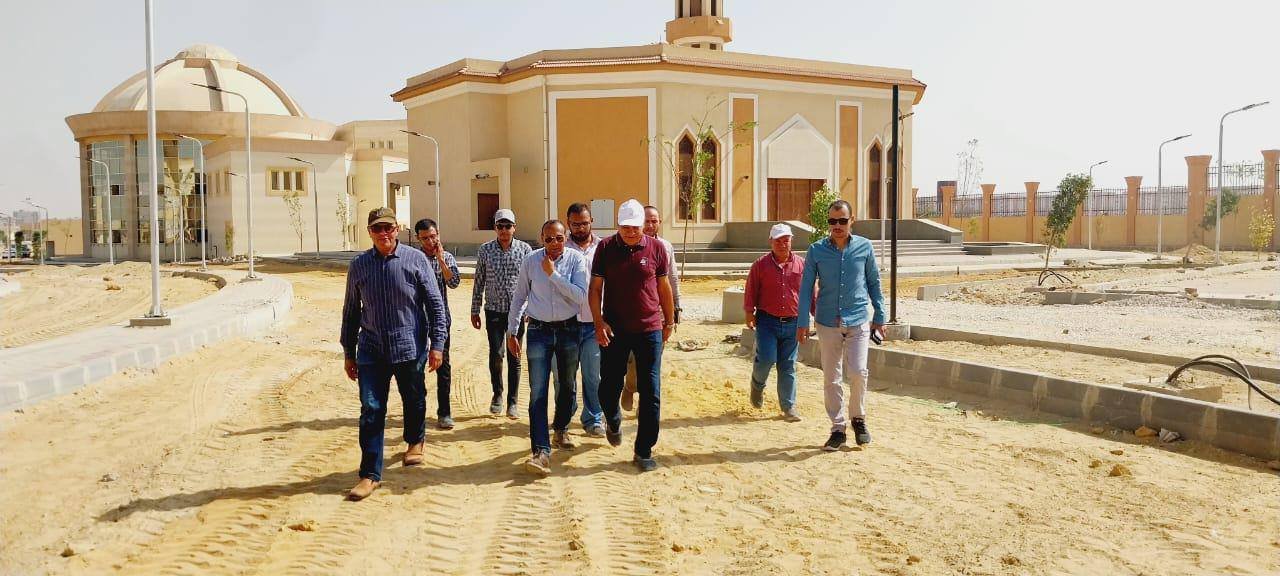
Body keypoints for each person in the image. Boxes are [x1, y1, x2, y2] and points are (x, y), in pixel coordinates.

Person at [340, 207, 448, 501]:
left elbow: (435, 305)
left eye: (388, 227)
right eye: (377, 229)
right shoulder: (359, 265)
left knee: (414, 398)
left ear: (397, 229)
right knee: (371, 409)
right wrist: (349, 351)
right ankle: (369, 474)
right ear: (369, 232)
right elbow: (351, 312)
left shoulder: (416, 260)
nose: (383, 233)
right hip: (371, 350)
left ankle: (415, 440)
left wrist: (437, 344)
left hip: (409, 347)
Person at [590, 199, 675, 472]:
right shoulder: (605, 248)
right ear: (618, 225)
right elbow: (595, 289)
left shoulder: (657, 249)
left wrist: (669, 320)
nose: (630, 232)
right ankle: (613, 418)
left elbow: (664, 287)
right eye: (625, 227)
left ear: (643, 226)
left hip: (649, 329)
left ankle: (644, 450)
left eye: (635, 227)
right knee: (609, 386)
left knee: (651, 391)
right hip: (615, 329)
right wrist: (598, 322)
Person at [796, 200, 886, 452]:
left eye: (842, 221)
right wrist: (802, 321)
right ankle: (837, 428)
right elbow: (806, 288)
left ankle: (858, 418)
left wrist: (880, 314)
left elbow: (873, 282)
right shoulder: (816, 250)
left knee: (858, 372)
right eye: (832, 221)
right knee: (831, 377)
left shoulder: (865, 247)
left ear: (851, 220)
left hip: (858, 319)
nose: (837, 226)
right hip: (827, 322)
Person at [506, 220, 590, 476]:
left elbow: (580, 296)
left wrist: (553, 274)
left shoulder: (575, 260)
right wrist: (512, 330)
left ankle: (561, 428)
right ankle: (540, 451)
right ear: (541, 239)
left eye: (559, 238)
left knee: (567, 387)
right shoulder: (531, 261)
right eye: (549, 239)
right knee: (538, 391)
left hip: (568, 330)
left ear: (566, 237)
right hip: (539, 331)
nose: (554, 243)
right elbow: (520, 296)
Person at [618, 205, 682, 411]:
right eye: (647, 220)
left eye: (654, 221)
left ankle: (645, 405)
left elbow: (672, 278)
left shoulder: (665, 247)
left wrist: (676, 307)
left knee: (652, 363)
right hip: (632, 314)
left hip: (658, 314)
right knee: (633, 360)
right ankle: (630, 386)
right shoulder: (626, 246)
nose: (650, 225)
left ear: (659, 223)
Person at [471, 208, 532, 418]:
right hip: (494, 311)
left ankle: (512, 402)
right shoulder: (485, 250)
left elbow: (531, 282)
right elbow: (479, 280)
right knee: (496, 354)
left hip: (517, 312)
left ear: (514, 227)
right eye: (500, 226)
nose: (504, 230)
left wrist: (530, 308)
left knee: (515, 356)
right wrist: (475, 309)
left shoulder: (525, 250)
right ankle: (497, 394)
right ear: (495, 228)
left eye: (508, 226)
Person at [743, 223, 808, 422]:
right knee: (766, 359)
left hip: (793, 323)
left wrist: (811, 318)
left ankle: (788, 407)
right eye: (778, 240)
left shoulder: (802, 265)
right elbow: (751, 289)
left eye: (786, 240)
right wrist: (749, 312)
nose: (782, 244)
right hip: (767, 322)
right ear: (770, 241)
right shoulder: (760, 265)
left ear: (791, 241)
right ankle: (757, 385)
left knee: (788, 365)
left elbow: (809, 293)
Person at [414, 218, 461, 430]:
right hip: (416, 321)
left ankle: (445, 412)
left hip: (441, 321)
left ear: (438, 235)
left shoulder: (447, 257)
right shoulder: (413, 259)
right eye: (425, 238)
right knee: (416, 366)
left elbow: (454, 283)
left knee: (443, 366)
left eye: (433, 236)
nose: (430, 241)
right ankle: (418, 411)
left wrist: (441, 261)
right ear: (418, 239)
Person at [564, 202, 606, 437]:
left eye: (584, 223)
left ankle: (594, 419)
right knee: (564, 377)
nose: (580, 228)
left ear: (592, 222)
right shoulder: (560, 247)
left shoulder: (603, 248)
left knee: (593, 375)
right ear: (568, 224)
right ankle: (564, 415)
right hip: (566, 324)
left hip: (594, 323)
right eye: (575, 224)